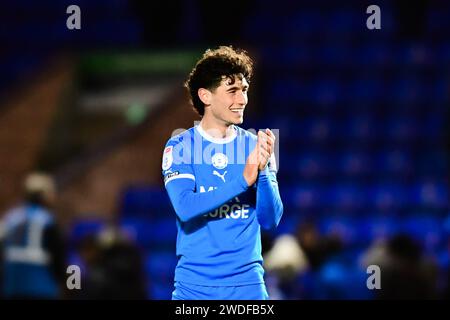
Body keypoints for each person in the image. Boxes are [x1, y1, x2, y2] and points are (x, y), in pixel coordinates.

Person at [161, 46, 283, 300]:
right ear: (205, 96)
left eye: (245, 90)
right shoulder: (180, 146)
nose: (242, 100)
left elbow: (270, 220)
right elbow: (185, 206)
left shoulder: (255, 145)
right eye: (232, 91)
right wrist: (243, 180)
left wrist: (262, 173)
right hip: (194, 290)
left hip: (247, 287)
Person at [0, 172, 66, 299]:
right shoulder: (47, 221)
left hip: (12, 287)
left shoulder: (11, 218)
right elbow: (58, 256)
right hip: (41, 287)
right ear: (43, 195)